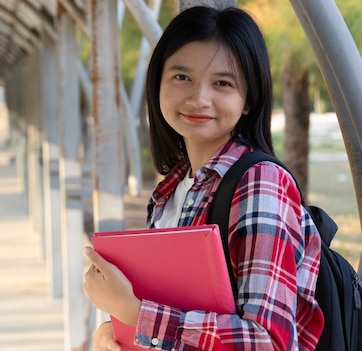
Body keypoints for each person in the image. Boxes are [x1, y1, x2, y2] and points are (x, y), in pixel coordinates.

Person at [83, 6, 324, 351]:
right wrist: (116, 332)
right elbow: (173, 310)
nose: (199, 98)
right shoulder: (172, 189)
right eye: (182, 77)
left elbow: (269, 341)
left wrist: (135, 314)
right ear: (158, 83)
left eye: (222, 83)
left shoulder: (261, 183)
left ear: (248, 99)